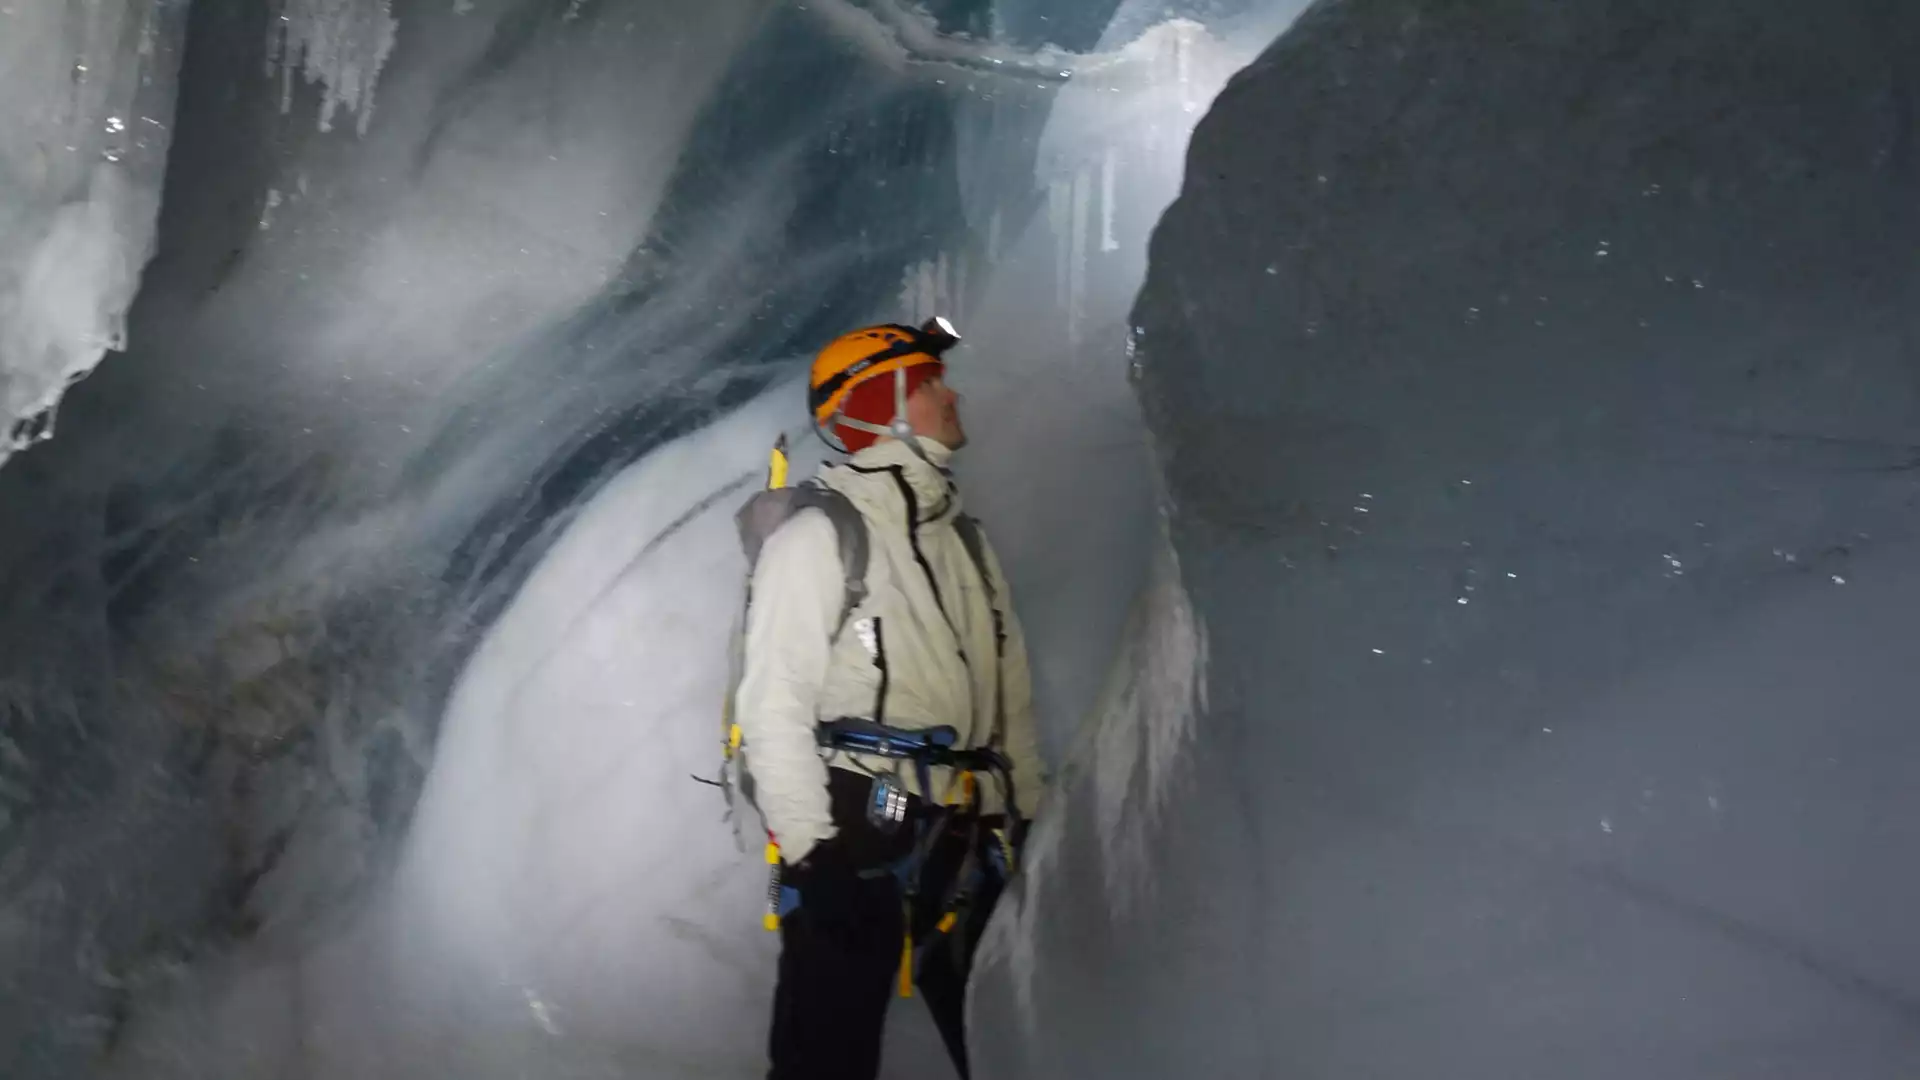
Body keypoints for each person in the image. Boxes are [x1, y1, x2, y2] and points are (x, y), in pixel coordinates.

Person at [733, 318, 1047, 1080]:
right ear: (885, 405)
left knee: (1006, 1042)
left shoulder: (963, 539)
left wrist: (1025, 810)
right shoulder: (818, 535)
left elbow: (1008, 694)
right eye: (931, 382)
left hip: (963, 825)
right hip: (853, 824)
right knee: (826, 1056)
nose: (952, 393)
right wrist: (813, 853)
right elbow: (773, 704)